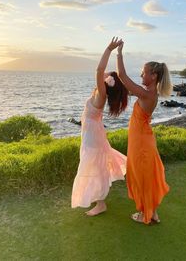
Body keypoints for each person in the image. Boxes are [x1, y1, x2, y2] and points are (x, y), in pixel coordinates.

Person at [71, 37, 128, 216]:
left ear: (108, 82)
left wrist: (109, 49)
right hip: (93, 131)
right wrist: (117, 54)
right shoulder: (101, 92)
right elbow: (101, 73)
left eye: (108, 75)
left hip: (92, 134)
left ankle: (100, 202)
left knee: (92, 165)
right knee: (95, 164)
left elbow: (99, 69)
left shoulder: (102, 94)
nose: (105, 75)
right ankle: (99, 201)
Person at [117, 41, 172, 225]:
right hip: (142, 139)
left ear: (153, 75)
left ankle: (144, 215)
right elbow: (127, 87)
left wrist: (118, 53)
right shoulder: (147, 92)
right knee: (146, 176)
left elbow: (123, 76)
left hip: (141, 142)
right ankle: (152, 213)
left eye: (144, 72)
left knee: (141, 176)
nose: (141, 74)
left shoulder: (147, 94)